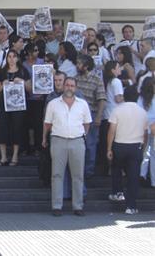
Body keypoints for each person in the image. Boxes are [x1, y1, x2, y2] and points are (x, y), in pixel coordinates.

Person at [43, 77, 91, 216]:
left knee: (78, 175)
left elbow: (87, 123)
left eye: (72, 85)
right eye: (67, 85)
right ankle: (57, 206)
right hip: (58, 140)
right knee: (57, 174)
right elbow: (47, 123)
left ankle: (78, 206)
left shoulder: (82, 104)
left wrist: (83, 136)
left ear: (75, 88)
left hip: (77, 141)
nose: (69, 88)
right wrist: (44, 138)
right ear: (63, 87)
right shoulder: (53, 104)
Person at [107, 90, 149, 215]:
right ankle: (131, 206)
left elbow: (111, 130)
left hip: (119, 145)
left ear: (124, 96)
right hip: (136, 146)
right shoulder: (143, 113)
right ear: (138, 98)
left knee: (116, 168)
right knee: (133, 176)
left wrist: (109, 148)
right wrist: (143, 146)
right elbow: (145, 134)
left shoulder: (117, 110)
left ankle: (117, 192)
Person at [0, 49, 31, 166]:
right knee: (2, 129)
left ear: (18, 58)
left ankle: (15, 156)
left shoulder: (23, 71)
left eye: (14, 56)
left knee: (17, 129)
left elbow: (30, 89)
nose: (12, 59)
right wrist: (2, 85)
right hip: (3, 104)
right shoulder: (2, 72)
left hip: (18, 106)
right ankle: (3, 157)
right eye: (9, 57)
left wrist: (23, 82)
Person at [75, 54, 107, 178]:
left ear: (86, 66)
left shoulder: (96, 79)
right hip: (77, 115)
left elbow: (101, 99)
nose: (77, 66)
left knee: (90, 143)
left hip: (91, 114)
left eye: (79, 63)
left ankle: (88, 170)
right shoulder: (75, 79)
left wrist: (99, 116)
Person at [100, 61, 124, 175]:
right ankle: (116, 169)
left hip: (107, 115)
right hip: (115, 116)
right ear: (113, 70)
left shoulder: (109, 82)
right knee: (116, 143)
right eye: (118, 67)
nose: (120, 69)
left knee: (108, 143)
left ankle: (109, 168)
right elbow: (118, 99)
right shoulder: (116, 81)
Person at [23, 42, 46, 154]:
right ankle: (27, 147)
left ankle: (38, 147)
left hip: (39, 98)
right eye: (35, 50)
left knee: (38, 124)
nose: (37, 53)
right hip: (27, 98)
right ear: (29, 52)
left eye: (37, 50)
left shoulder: (42, 63)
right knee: (27, 124)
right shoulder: (23, 65)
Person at [138, 78, 155, 188]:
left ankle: (142, 174)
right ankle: (154, 180)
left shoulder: (140, 98)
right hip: (154, 128)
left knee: (144, 153)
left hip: (142, 128)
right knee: (153, 155)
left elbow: (138, 113)